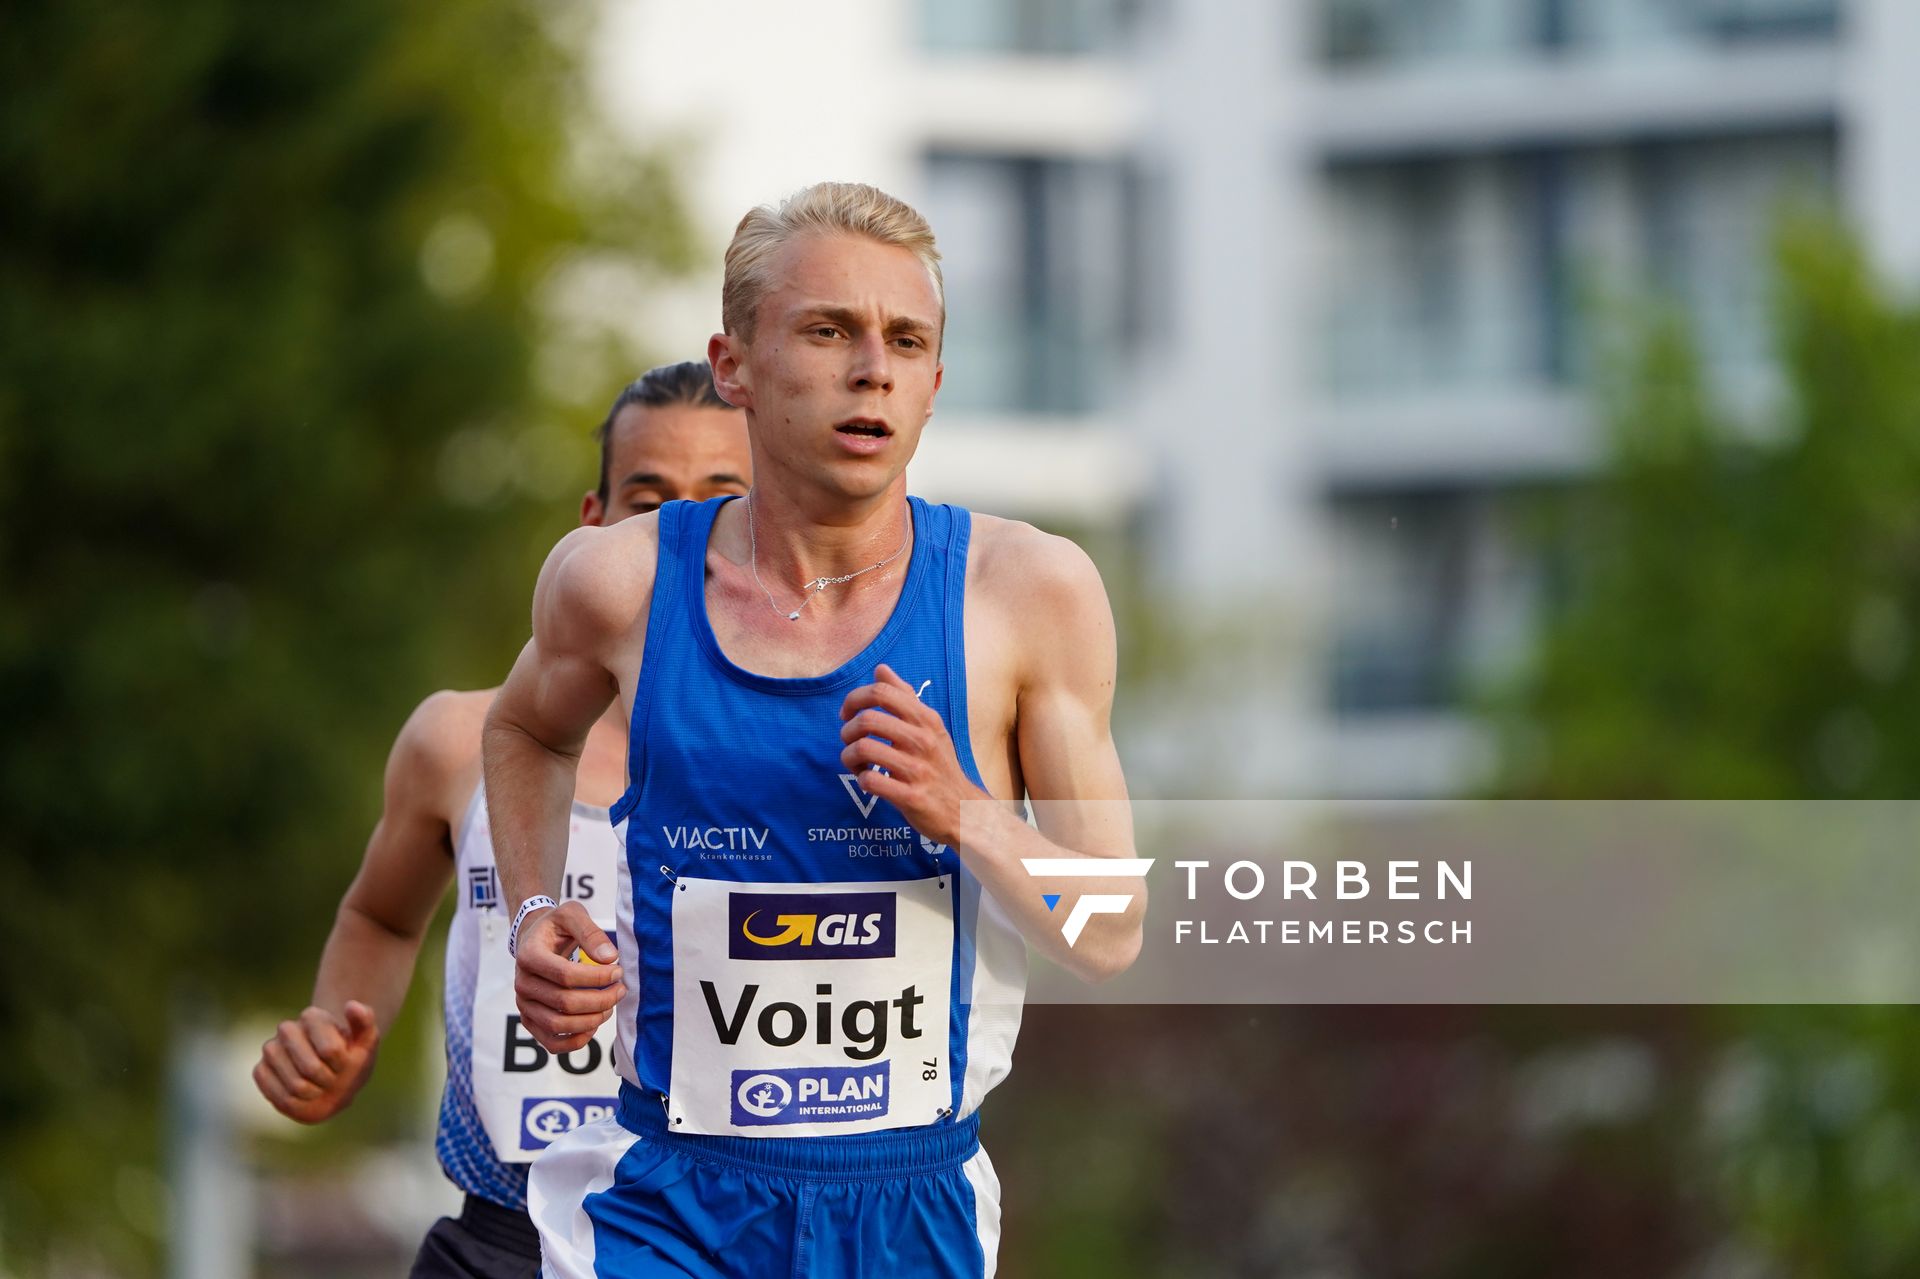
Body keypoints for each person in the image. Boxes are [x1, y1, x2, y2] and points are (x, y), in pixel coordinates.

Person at [483, 182, 1146, 1278]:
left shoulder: (1029, 593)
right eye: (829, 331)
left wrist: (968, 812)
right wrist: (532, 911)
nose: (872, 369)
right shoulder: (617, 582)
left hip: (910, 1206)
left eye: (906, 341)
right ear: (734, 364)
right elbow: (524, 733)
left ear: (935, 384)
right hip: (668, 1201)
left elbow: (1111, 930)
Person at [252, 361, 751, 1278]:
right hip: (502, 1239)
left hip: (718, 1239)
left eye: (721, 502)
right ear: (592, 525)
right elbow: (381, 916)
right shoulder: (456, 740)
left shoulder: (821, 757)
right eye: (649, 501)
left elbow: (1021, 905)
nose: (679, 533)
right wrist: (335, 1033)